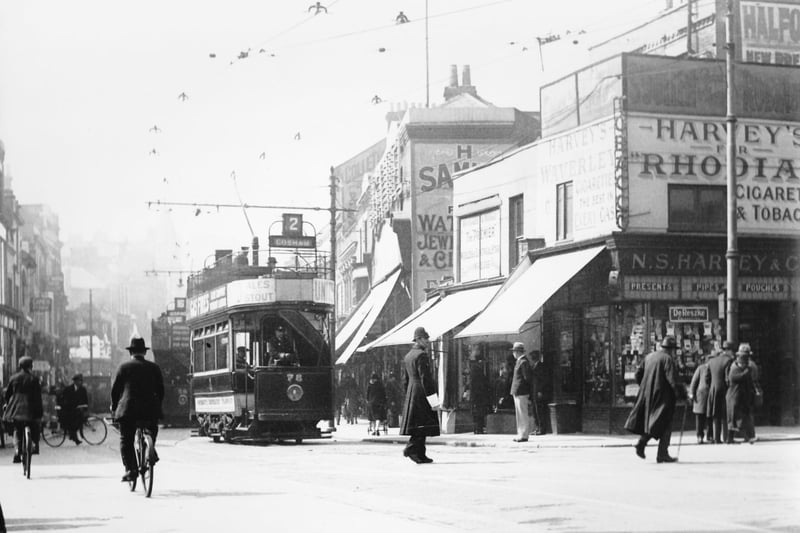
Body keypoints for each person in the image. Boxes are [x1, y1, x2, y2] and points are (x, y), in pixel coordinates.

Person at [111, 336, 165, 482]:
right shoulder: (154, 368)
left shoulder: (123, 367)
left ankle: (131, 470)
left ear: (131, 352)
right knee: (152, 429)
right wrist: (157, 405)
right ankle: (150, 448)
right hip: (150, 410)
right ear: (144, 352)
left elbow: (115, 391)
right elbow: (161, 390)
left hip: (129, 411)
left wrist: (114, 407)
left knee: (126, 440)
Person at [624, 335, 683, 463]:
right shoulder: (668, 359)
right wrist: (680, 394)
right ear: (672, 349)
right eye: (674, 350)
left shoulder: (649, 357)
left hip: (648, 395)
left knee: (655, 422)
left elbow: (637, 374)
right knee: (665, 424)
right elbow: (672, 380)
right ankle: (661, 453)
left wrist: (645, 386)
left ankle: (643, 443)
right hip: (663, 397)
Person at [400, 327, 439, 464]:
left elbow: (405, 379)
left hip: (412, 391)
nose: (428, 341)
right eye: (425, 339)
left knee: (420, 424)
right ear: (419, 339)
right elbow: (425, 378)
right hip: (422, 393)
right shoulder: (421, 355)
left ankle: (421, 454)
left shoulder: (408, 356)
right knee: (422, 424)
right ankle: (411, 448)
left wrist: (408, 395)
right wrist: (433, 400)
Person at [2, 356, 43, 463]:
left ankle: (17, 451)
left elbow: (7, 395)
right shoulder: (34, 379)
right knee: (35, 426)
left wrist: (8, 404)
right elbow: (38, 398)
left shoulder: (14, 378)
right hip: (30, 409)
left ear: (20, 366)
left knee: (17, 430)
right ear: (30, 366)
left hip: (17, 409)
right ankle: (34, 444)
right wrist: (40, 414)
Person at [726, 344, 756, 444]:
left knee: (739, 418)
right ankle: (745, 437)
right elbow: (737, 378)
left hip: (741, 397)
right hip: (734, 397)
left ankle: (739, 438)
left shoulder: (745, 368)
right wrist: (747, 371)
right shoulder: (734, 369)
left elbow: (749, 381)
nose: (745, 362)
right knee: (737, 418)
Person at [706, 341, 735, 444]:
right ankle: (726, 437)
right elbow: (728, 378)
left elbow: (707, 378)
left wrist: (712, 387)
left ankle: (716, 438)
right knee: (725, 414)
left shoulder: (711, 361)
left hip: (713, 390)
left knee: (715, 414)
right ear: (729, 351)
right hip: (724, 390)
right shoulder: (729, 361)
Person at [510, 342, 533, 442]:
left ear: (518, 352)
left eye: (514, 351)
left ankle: (524, 434)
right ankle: (521, 433)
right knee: (520, 414)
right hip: (518, 391)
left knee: (522, 413)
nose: (513, 353)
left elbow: (527, 378)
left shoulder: (523, 362)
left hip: (521, 391)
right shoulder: (520, 361)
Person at [59, 373, 89, 445]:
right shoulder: (69, 389)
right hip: (69, 409)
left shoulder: (83, 389)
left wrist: (85, 407)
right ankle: (74, 437)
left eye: (80, 381)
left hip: (78, 409)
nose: (80, 382)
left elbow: (85, 399)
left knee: (80, 421)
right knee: (72, 422)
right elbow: (63, 399)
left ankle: (73, 435)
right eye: (78, 381)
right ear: (75, 381)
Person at [468, 344, 491, 435]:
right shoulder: (474, 366)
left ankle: (478, 429)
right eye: (476, 350)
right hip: (477, 392)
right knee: (478, 411)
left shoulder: (476, 365)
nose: (479, 352)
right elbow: (474, 381)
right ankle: (478, 429)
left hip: (479, 392)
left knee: (479, 411)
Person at [688, 355, 712, 444]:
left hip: (709, 396)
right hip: (701, 396)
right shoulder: (701, 368)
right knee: (700, 417)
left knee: (709, 417)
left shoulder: (710, 368)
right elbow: (694, 381)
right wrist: (691, 393)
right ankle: (700, 436)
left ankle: (709, 436)